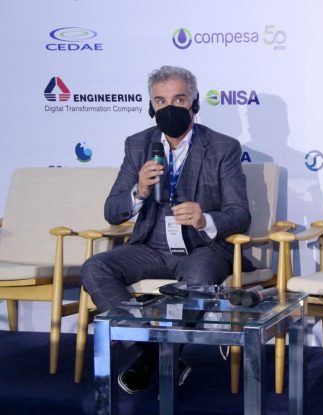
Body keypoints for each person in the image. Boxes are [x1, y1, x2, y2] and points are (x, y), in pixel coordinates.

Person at [80, 65, 254, 394]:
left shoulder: (222, 147)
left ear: (194, 102)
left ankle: (153, 357)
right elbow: (112, 212)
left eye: (179, 99)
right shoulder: (138, 144)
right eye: (160, 101)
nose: (169, 108)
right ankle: (156, 352)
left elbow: (239, 214)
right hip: (151, 247)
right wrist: (139, 191)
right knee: (95, 267)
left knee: (197, 280)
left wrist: (205, 219)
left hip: (201, 249)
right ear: (151, 106)